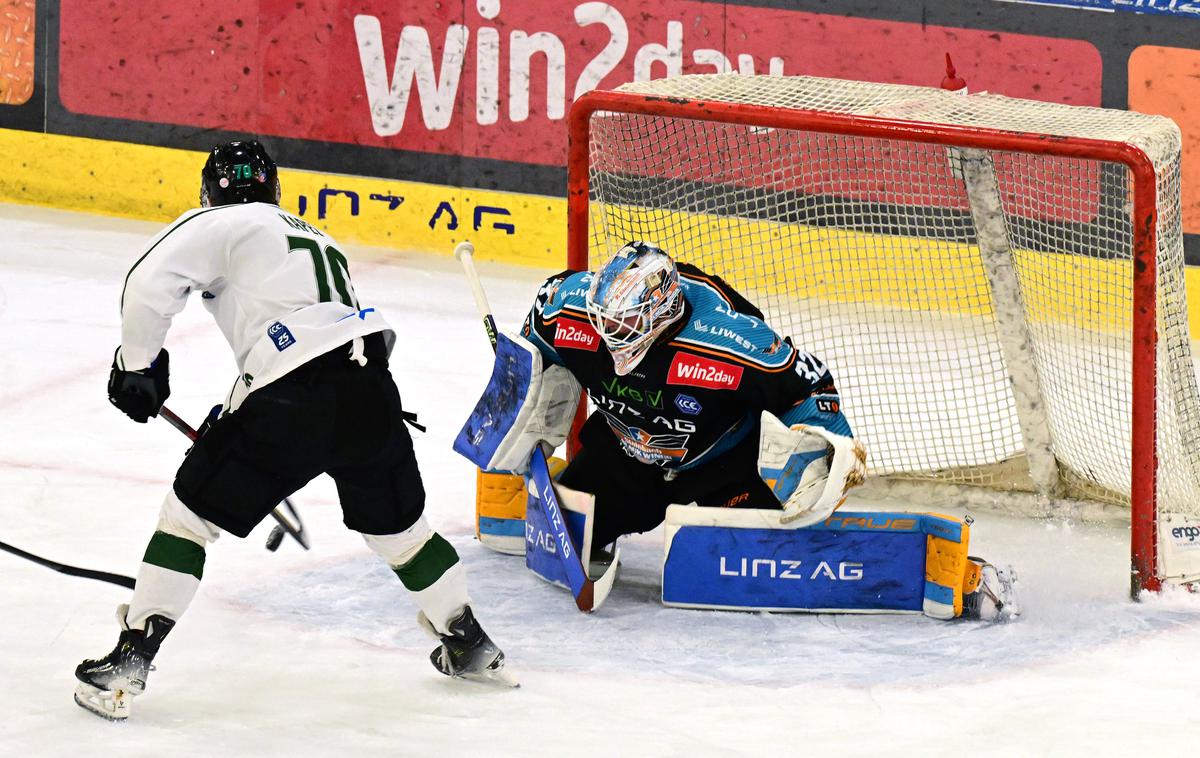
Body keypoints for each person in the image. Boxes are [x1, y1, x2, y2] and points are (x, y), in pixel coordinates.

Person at [75, 141, 513, 721]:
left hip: (293, 396)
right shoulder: (317, 238)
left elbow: (149, 282)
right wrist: (234, 410)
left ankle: (131, 659)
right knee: (404, 536)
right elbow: (311, 334)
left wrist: (138, 366)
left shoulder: (222, 220)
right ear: (275, 189)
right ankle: (470, 644)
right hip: (371, 391)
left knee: (187, 519)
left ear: (211, 192)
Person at [519, 241, 866, 550]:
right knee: (567, 533)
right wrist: (518, 392)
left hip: (719, 465)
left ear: (661, 312)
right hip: (624, 454)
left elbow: (806, 385)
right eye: (606, 320)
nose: (610, 332)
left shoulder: (728, 341)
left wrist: (832, 454)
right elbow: (533, 334)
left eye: (623, 323)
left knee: (763, 556)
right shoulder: (572, 310)